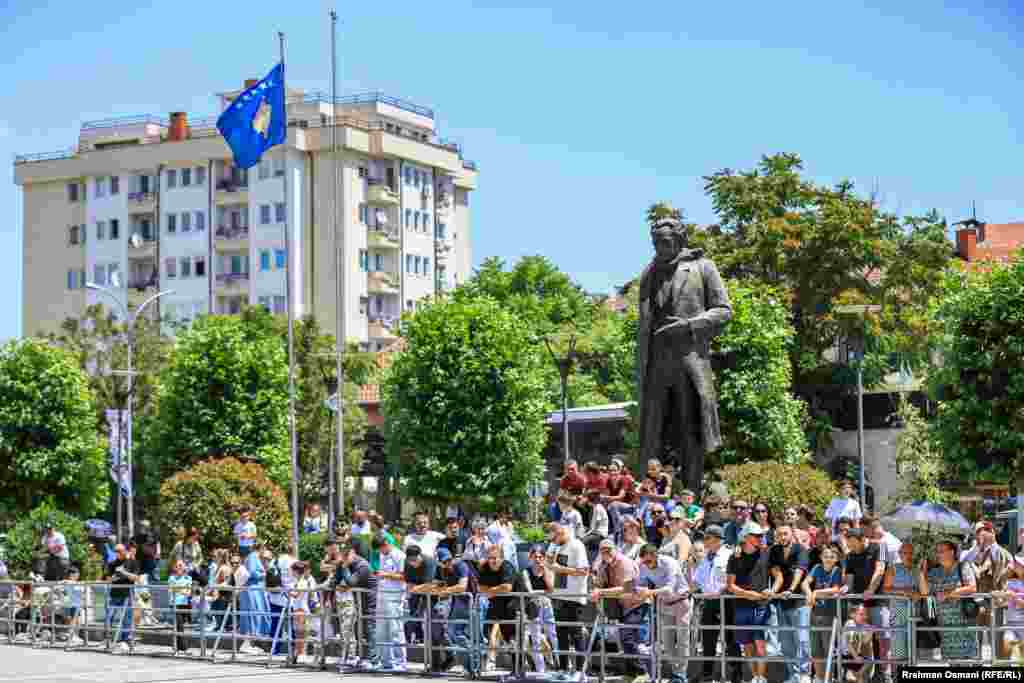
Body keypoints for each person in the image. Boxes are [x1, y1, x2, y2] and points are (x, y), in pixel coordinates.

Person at [590, 538, 645, 678]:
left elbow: (624, 588)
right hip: (622, 605)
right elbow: (599, 583)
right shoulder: (604, 564)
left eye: (608, 550)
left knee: (627, 636)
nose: (605, 553)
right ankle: (632, 672)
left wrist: (601, 592)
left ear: (615, 549)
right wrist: (596, 582)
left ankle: (642, 670)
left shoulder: (624, 562)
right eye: (602, 551)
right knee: (624, 639)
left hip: (635, 603)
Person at [637, 543, 690, 683]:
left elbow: (669, 588)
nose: (646, 565)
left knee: (683, 641)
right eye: (644, 561)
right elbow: (640, 583)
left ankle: (680, 674)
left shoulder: (669, 563)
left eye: (648, 561)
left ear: (655, 555)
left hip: (681, 602)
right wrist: (638, 591)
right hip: (664, 605)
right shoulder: (643, 565)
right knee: (666, 643)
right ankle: (677, 672)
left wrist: (649, 592)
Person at [693, 524, 739, 683]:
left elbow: (732, 579)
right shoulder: (706, 557)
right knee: (708, 639)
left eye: (708, 538)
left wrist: (721, 592)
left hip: (726, 601)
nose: (705, 541)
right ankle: (707, 674)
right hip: (709, 602)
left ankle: (736, 673)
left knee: (730, 638)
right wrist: (688, 591)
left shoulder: (729, 555)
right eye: (704, 538)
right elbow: (697, 581)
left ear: (718, 539)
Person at [727, 522, 772, 683]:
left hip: (761, 605)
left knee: (760, 642)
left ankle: (761, 678)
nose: (760, 538)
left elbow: (778, 573)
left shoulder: (766, 553)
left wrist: (770, 590)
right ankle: (755, 677)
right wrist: (747, 594)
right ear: (746, 537)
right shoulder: (734, 556)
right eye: (756, 535)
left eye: (761, 535)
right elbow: (730, 585)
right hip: (741, 606)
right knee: (746, 644)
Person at [843, 529, 890, 682]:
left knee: (881, 638)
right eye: (849, 545)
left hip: (877, 601)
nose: (852, 548)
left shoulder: (879, 547)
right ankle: (861, 675)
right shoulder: (850, 555)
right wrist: (845, 589)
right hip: (859, 605)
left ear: (863, 539)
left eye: (854, 544)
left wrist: (870, 590)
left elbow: (880, 570)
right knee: (860, 640)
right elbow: (849, 578)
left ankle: (884, 672)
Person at [546, 521, 590, 677]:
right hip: (559, 596)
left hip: (574, 597)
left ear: (561, 533)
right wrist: (551, 550)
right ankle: (563, 669)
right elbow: (549, 563)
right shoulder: (557, 546)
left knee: (576, 634)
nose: (552, 542)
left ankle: (580, 671)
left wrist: (560, 569)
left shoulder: (577, 546)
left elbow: (584, 571)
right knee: (561, 634)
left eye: (554, 539)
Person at [923, 540, 978, 660]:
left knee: (967, 661)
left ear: (952, 552)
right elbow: (926, 592)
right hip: (945, 624)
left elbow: (972, 587)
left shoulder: (963, 566)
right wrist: (922, 572)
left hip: (964, 623)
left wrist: (948, 594)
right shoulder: (935, 572)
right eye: (937, 551)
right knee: (951, 661)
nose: (938, 554)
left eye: (941, 551)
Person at [429, 547, 480, 677]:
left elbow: (462, 586)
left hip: (472, 600)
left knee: (459, 633)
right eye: (444, 561)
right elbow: (435, 585)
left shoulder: (461, 565)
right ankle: (472, 666)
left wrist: (445, 590)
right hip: (458, 601)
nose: (448, 563)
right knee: (454, 633)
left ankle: (474, 665)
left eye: (449, 560)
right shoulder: (441, 569)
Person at [770, 525, 810, 683]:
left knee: (802, 639)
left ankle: (805, 674)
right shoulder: (775, 551)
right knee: (786, 642)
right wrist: (773, 590)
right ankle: (793, 674)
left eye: (785, 534)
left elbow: (800, 571)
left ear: (791, 535)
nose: (782, 537)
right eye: (779, 534)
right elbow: (777, 574)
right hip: (782, 602)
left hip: (799, 601)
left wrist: (791, 589)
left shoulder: (801, 550)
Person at [803, 545, 847, 683]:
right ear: (821, 557)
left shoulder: (837, 570)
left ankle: (828, 678)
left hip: (829, 614)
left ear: (836, 559)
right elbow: (805, 583)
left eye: (831, 556)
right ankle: (819, 678)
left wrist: (816, 593)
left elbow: (836, 588)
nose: (828, 559)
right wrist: (809, 592)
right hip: (815, 613)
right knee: (816, 649)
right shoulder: (817, 568)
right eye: (826, 556)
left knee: (828, 648)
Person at [331, 541, 377, 669]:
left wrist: (345, 568)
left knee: (369, 628)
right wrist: (339, 574)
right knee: (357, 629)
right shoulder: (344, 563)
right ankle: (359, 657)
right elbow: (335, 581)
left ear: (353, 553)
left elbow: (351, 582)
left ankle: (372, 659)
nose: (344, 559)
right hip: (356, 600)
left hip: (370, 599)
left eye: (347, 556)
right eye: (343, 556)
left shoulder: (363, 565)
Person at [477, 544, 521, 677]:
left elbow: (507, 587)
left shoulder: (507, 567)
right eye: (490, 558)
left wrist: (490, 591)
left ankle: (518, 668)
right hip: (496, 604)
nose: (493, 561)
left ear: (502, 558)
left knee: (511, 637)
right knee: (486, 632)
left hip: (512, 604)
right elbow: (480, 587)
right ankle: (485, 662)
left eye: (495, 558)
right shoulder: (484, 567)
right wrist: (494, 591)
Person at [883, 541, 924, 667]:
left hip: (914, 613)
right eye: (905, 553)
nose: (908, 555)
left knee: (913, 650)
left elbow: (923, 591)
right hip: (898, 613)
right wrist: (903, 591)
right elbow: (886, 589)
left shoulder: (917, 570)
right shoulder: (893, 569)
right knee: (899, 650)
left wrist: (918, 594)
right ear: (900, 554)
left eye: (911, 553)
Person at [373, 533, 407, 671]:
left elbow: (404, 576)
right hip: (382, 595)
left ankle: (400, 662)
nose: (381, 551)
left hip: (395, 597)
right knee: (381, 630)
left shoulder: (400, 555)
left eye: (382, 548)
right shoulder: (382, 555)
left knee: (395, 630)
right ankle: (386, 661)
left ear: (387, 543)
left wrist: (385, 575)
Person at [522, 544, 557, 674]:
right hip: (533, 607)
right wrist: (543, 592)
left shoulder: (548, 570)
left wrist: (546, 571)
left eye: (540, 557)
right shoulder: (526, 572)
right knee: (535, 638)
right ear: (530, 557)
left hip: (547, 605)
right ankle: (540, 669)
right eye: (535, 556)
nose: (537, 559)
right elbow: (530, 590)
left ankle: (559, 664)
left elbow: (551, 589)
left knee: (553, 635)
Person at [235, 546, 270, 655]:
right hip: (252, 591)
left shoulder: (251, 557)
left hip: (254, 591)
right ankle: (247, 644)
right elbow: (253, 573)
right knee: (252, 615)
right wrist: (264, 573)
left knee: (254, 615)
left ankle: (251, 643)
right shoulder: (253, 556)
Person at [401, 545, 437, 647]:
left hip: (432, 591)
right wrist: (411, 590)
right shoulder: (407, 562)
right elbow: (408, 581)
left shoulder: (429, 561)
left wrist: (414, 589)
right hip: (415, 589)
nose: (412, 562)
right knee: (414, 613)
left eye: (414, 559)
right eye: (410, 560)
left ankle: (432, 641)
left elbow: (429, 584)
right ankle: (418, 637)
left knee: (427, 614)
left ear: (420, 555)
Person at [107, 544, 139, 653]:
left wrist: (123, 572)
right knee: (109, 616)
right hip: (114, 594)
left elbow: (135, 577)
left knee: (127, 618)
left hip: (127, 593)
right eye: (116, 551)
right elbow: (108, 579)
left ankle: (125, 640)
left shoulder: (132, 562)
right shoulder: (112, 564)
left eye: (120, 550)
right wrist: (115, 576)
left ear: (125, 551)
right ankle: (108, 639)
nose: (118, 553)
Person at [266, 551, 295, 657]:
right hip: (289, 598)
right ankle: (293, 649)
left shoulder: (273, 562)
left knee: (275, 624)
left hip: (274, 597)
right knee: (292, 626)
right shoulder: (293, 561)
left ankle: (274, 649)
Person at [998, 555, 1024, 663]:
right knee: (1006, 649)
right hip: (1010, 622)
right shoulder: (1010, 582)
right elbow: (1002, 602)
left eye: (1018, 563)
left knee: (1022, 655)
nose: (1015, 565)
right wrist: (998, 598)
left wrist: (1014, 597)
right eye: (1015, 563)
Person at [290, 561, 316, 663]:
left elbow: (298, 595)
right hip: (297, 609)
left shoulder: (302, 582)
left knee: (301, 633)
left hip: (301, 609)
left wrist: (287, 592)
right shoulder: (297, 581)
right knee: (298, 633)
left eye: (292, 571)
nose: (291, 572)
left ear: (296, 571)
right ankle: (298, 654)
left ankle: (301, 654)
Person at [606, 457, 638, 539]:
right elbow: (606, 495)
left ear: (619, 470)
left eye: (615, 470)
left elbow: (621, 497)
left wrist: (605, 497)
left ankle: (618, 529)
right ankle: (608, 531)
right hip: (617, 506)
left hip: (630, 507)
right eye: (610, 470)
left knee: (613, 505)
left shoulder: (624, 479)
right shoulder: (608, 481)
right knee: (607, 506)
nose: (612, 472)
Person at [842, 603, 874, 683]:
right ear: (852, 615)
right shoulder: (850, 623)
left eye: (865, 615)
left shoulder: (862, 625)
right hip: (847, 655)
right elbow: (849, 644)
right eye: (861, 614)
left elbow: (864, 641)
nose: (864, 617)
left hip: (855, 655)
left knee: (869, 660)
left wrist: (870, 632)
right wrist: (856, 657)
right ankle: (855, 674)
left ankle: (858, 673)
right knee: (853, 678)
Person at [167, 559, 193, 654]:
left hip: (184, 604)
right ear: (175, 567)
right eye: (178, 565)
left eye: (181, 565)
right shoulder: (172, 578)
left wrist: (179, 590)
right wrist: (182, 591)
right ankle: (184, 648)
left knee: (179, 626)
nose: (179, 567)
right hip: (174, 604)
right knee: (179, 625)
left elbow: (189, 592)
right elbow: (171, 590)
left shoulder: (188, 578)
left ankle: (176, 647)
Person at [580, 490, 610, 559]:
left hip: (600, 535)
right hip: (596, 533)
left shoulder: (598, 508)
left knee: (582, 541)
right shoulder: (596, 507)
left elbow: (593, 528)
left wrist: (584, 535)